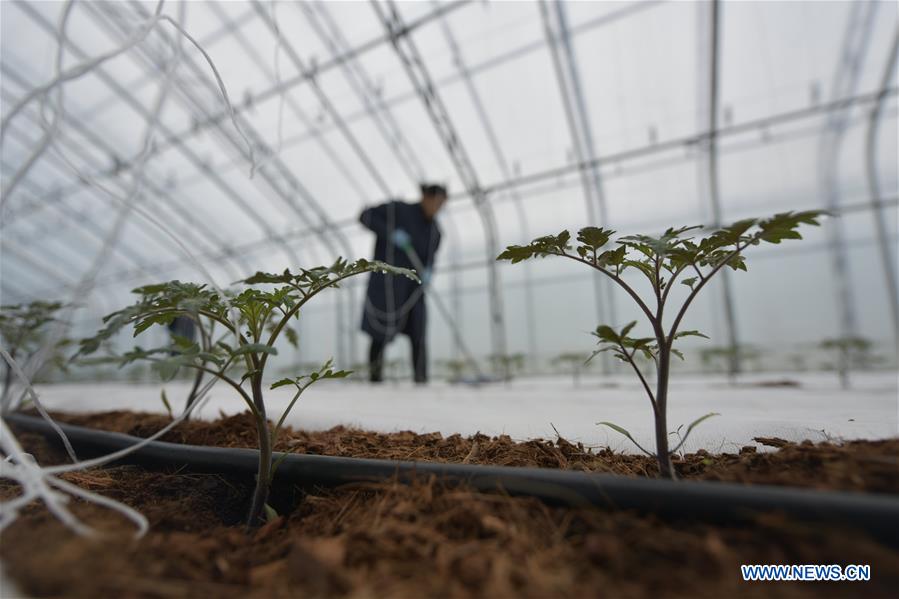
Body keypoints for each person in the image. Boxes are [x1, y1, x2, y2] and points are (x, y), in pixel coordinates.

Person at [360, 184, 447, 383]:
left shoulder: (435, 232)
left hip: (414, 290)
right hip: (387, 286)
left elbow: (431, 258)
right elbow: (365, 216)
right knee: (380, 334)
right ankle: (375, 380)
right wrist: (390, 233)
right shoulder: (398, 210)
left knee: (418, 333)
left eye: (442, 204)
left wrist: (429, 271)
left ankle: (421, 380)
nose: (437, 208)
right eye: (436, 202)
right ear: (425, 197)